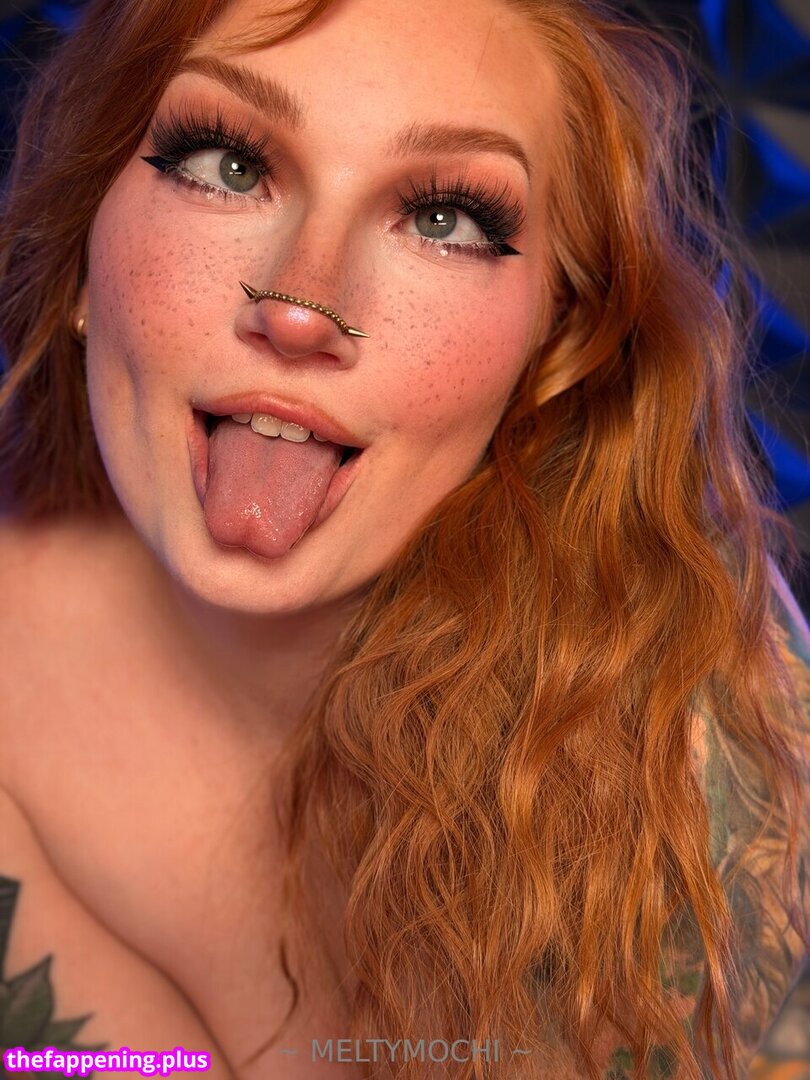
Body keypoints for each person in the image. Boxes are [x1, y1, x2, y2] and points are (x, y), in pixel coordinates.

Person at [0, 0, 807, 1077]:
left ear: (552, 344)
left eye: (442, 219)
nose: (303, 307)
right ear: (81, 249)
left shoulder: (694, 691)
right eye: (228, 165)